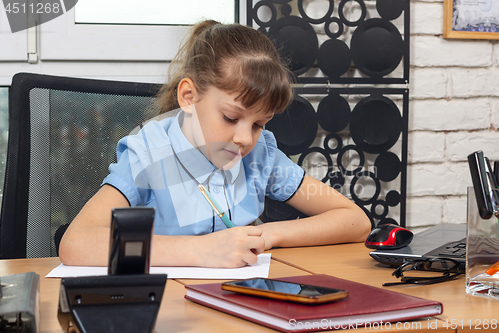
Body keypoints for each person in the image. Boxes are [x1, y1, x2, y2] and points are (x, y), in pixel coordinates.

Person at [59, 20, 371, 268]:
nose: (245, 138)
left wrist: (266, 235)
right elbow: (76, 242)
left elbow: (355, 221)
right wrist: (200, 250)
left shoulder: (260, 155)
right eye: (231, 117)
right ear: (189, 97)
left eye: (260, 123)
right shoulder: (150, 152)